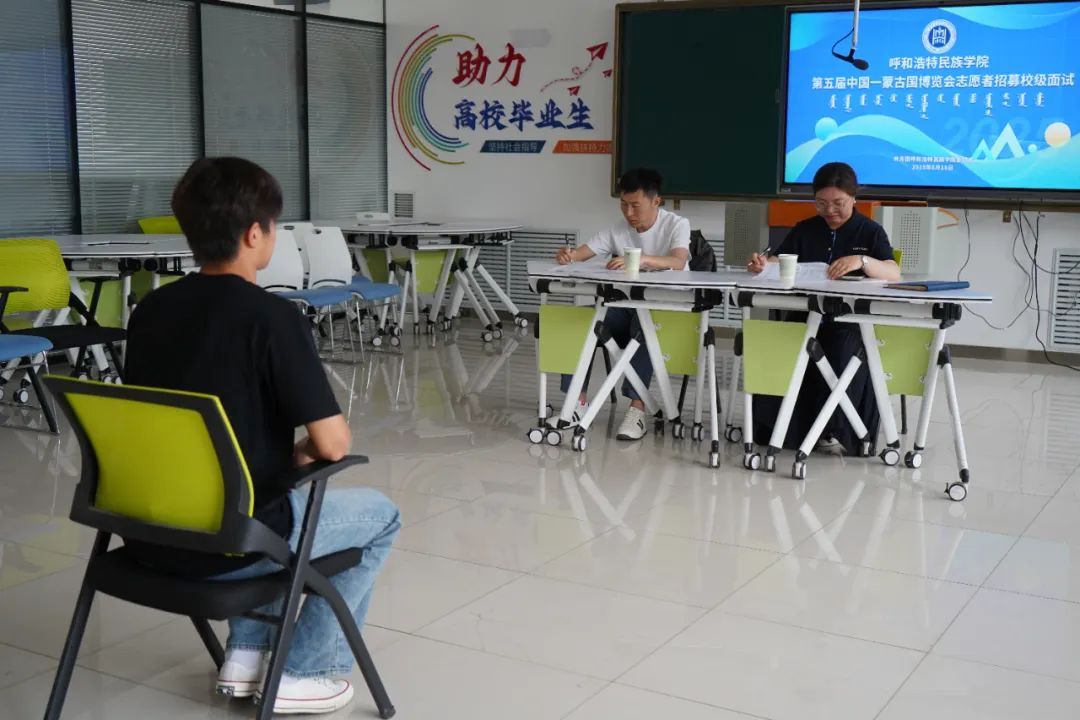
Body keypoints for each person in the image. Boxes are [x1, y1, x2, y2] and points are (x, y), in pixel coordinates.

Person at [125, 157, 400, 715]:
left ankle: (246, 657)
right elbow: (333, 445)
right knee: (379, 517)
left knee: (264, 491)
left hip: (148, 532)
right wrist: (302, 451)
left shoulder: (150, 310)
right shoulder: (272, 317)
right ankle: (305, 670)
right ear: (255, 234)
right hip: (233, 540)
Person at [746, 161, 899, 455]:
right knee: (780, 344)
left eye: (838, 203)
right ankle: (781, 430)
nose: (829, 211)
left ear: (854, 198)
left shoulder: (870, 231)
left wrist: (862, 261)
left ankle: (840, 430)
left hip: (848, 320)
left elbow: (893, 272)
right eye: (821, 203)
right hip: (804, 314)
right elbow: (780, 261)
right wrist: (763, 265)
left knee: (841, 350)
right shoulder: (805, 229)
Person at [554, 167, 690, 441]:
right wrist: (567, 255)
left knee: (644, 322)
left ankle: (637, 409)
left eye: (635, 206)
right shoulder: (617, 229)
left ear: (656, 201)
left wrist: (643, 259)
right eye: (623, 205)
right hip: (625, 307)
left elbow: (678, 261)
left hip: (666, 311)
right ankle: (577, 404)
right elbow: (580, 254)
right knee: (581, 321)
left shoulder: (676, 224)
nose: (629, 213)